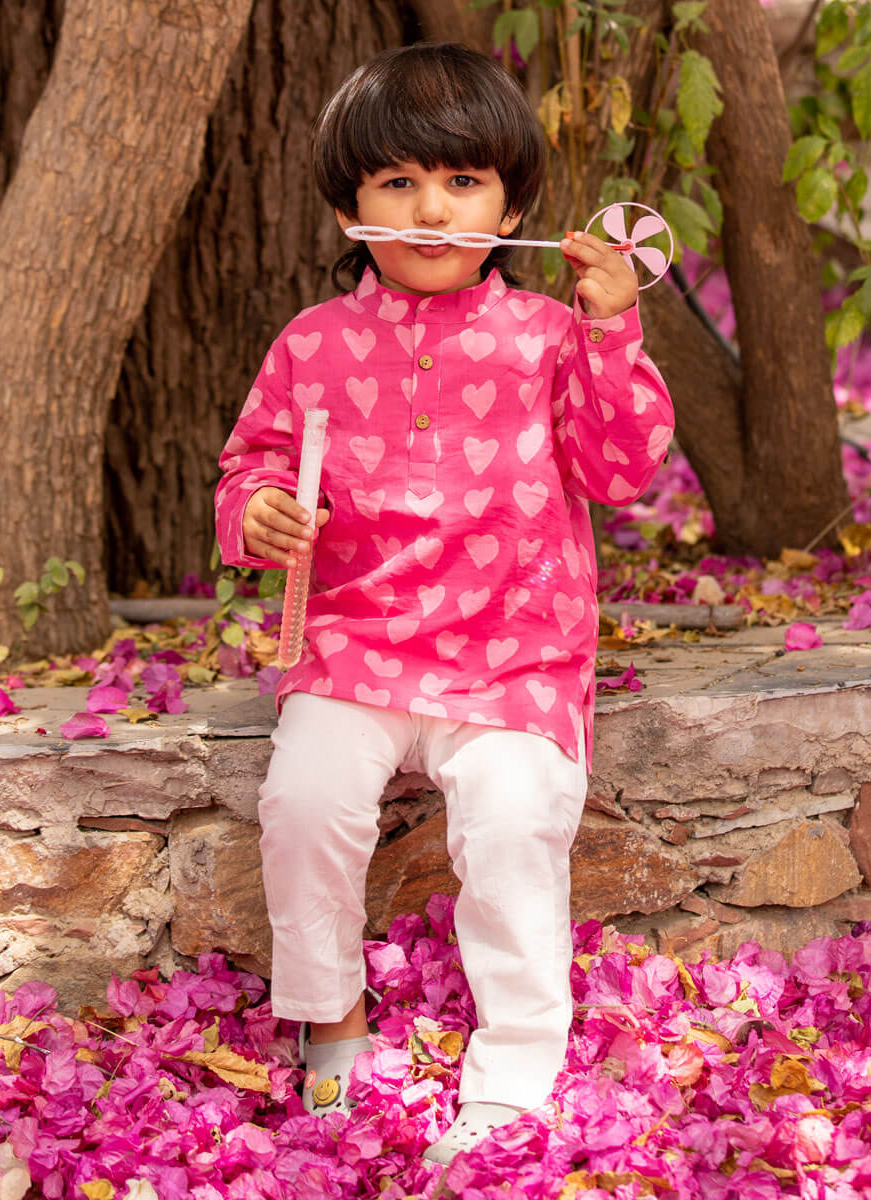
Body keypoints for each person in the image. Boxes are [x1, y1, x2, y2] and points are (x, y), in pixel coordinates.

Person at [214, 41, 674, 1166]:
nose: (431, 209)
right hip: (353, 648)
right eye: (399, 181)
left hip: (514, 656)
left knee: (512, 825)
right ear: (350, 207)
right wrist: (259, 510)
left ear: (510, 208)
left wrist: (612, 329)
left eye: (463, 181)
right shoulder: (311, 345)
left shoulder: (552, 336)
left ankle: (516, 1067)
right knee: (303, 804)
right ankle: (331, 1021)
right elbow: (252, 464)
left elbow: (621, 471)